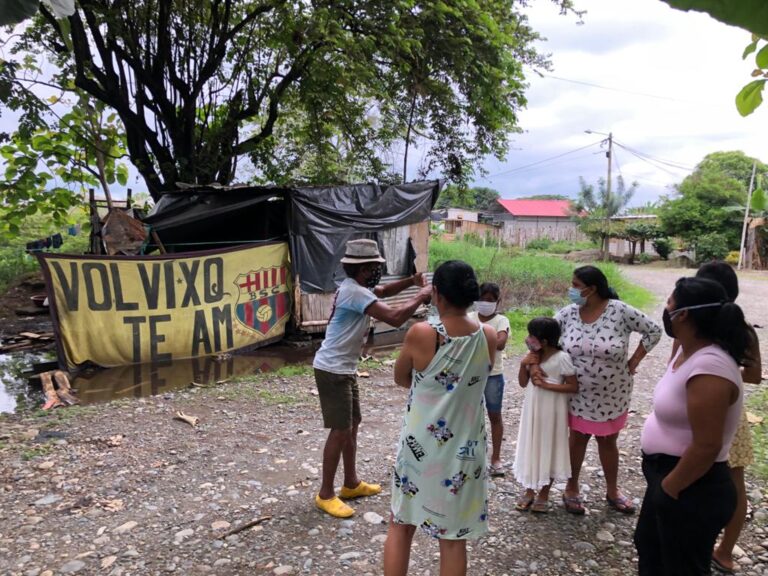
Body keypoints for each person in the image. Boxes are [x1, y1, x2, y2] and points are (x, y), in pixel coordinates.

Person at [383, 260, 497, 576]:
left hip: (421, 448)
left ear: (437, 295)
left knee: (401, 523)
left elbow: (401, 377)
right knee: (452, 538)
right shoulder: (487, 335)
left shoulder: (422, 333)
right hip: (465, 451)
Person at [635, 276, 752, 575]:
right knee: (651, 550)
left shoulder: (710, 366)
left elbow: (707, 444)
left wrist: (671, 488)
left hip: (691, 485)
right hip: (671, 476)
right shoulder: (687, 353)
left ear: (684, 314)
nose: (665, 309)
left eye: (669, 304)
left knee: (681, 567)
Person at [313, 239, 432, 518]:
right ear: (362, 269)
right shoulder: (355, 293)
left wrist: (410, 281)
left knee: (353, 425)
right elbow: (393, 317)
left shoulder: (357, 287)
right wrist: (421, 294)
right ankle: (326, 493)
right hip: (333, 370)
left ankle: (351, 483)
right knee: (340, 430)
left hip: (343, 368)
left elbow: (383, 290)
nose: (378, 271)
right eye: (374, 267)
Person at [673, 262, 762, 575]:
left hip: (724, 412)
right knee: (696, 475)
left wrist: (714, 376)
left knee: (731, 481)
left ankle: (724, 551)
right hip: (688, 409)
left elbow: (754, 375)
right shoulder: (689, 324)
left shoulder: (740, 329)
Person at [555, 265, 661, 515]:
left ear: (591, 289)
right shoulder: (568, 314)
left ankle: (613, 490)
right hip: (577, 392)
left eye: (576, 286)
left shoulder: (619, 311)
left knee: (608, 440)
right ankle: (571, 487)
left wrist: (634, 361)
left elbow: (654, 331)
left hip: (613, 392)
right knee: (577, 438)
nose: (571, 290)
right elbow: (545, 335)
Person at [514, 317, 578, 513]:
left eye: (532, 336)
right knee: (532, 444)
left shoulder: (562, 358)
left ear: (544, 341)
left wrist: (548, 385)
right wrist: (523, 364)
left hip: (552, 410)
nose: (528, 339)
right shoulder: (533, 356)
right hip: (533, 407)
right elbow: (523, 383)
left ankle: (544, 493)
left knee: (548, 447)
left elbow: (573, 386)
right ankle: (529, 489)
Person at [471, 282, 510, 476]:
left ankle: (496, 457)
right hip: (471, 375)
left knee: (495, 416)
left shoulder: (501, 320)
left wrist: (477, 337)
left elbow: (501, 344)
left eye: (490, 300)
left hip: (493, 375)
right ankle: (472, 456)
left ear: (497, 301)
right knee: (469, 417)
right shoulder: (469, 317)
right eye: (482, 299)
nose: (485, 303)